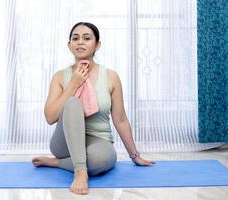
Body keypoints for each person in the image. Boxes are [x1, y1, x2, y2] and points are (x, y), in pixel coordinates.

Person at [32, 22, 154, 195]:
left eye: (86, 38)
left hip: (98, 140)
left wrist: (135, 156)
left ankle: (57, 163)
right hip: (64, 142)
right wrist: (73, 85)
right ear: (69, 45)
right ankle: (80, 171)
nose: (80, 42)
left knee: (102, 160)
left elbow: (120, 119)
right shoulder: (60, 77)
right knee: (73, 103)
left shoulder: (111, 77)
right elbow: (50, 117)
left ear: (97, 44)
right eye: (75, 38)